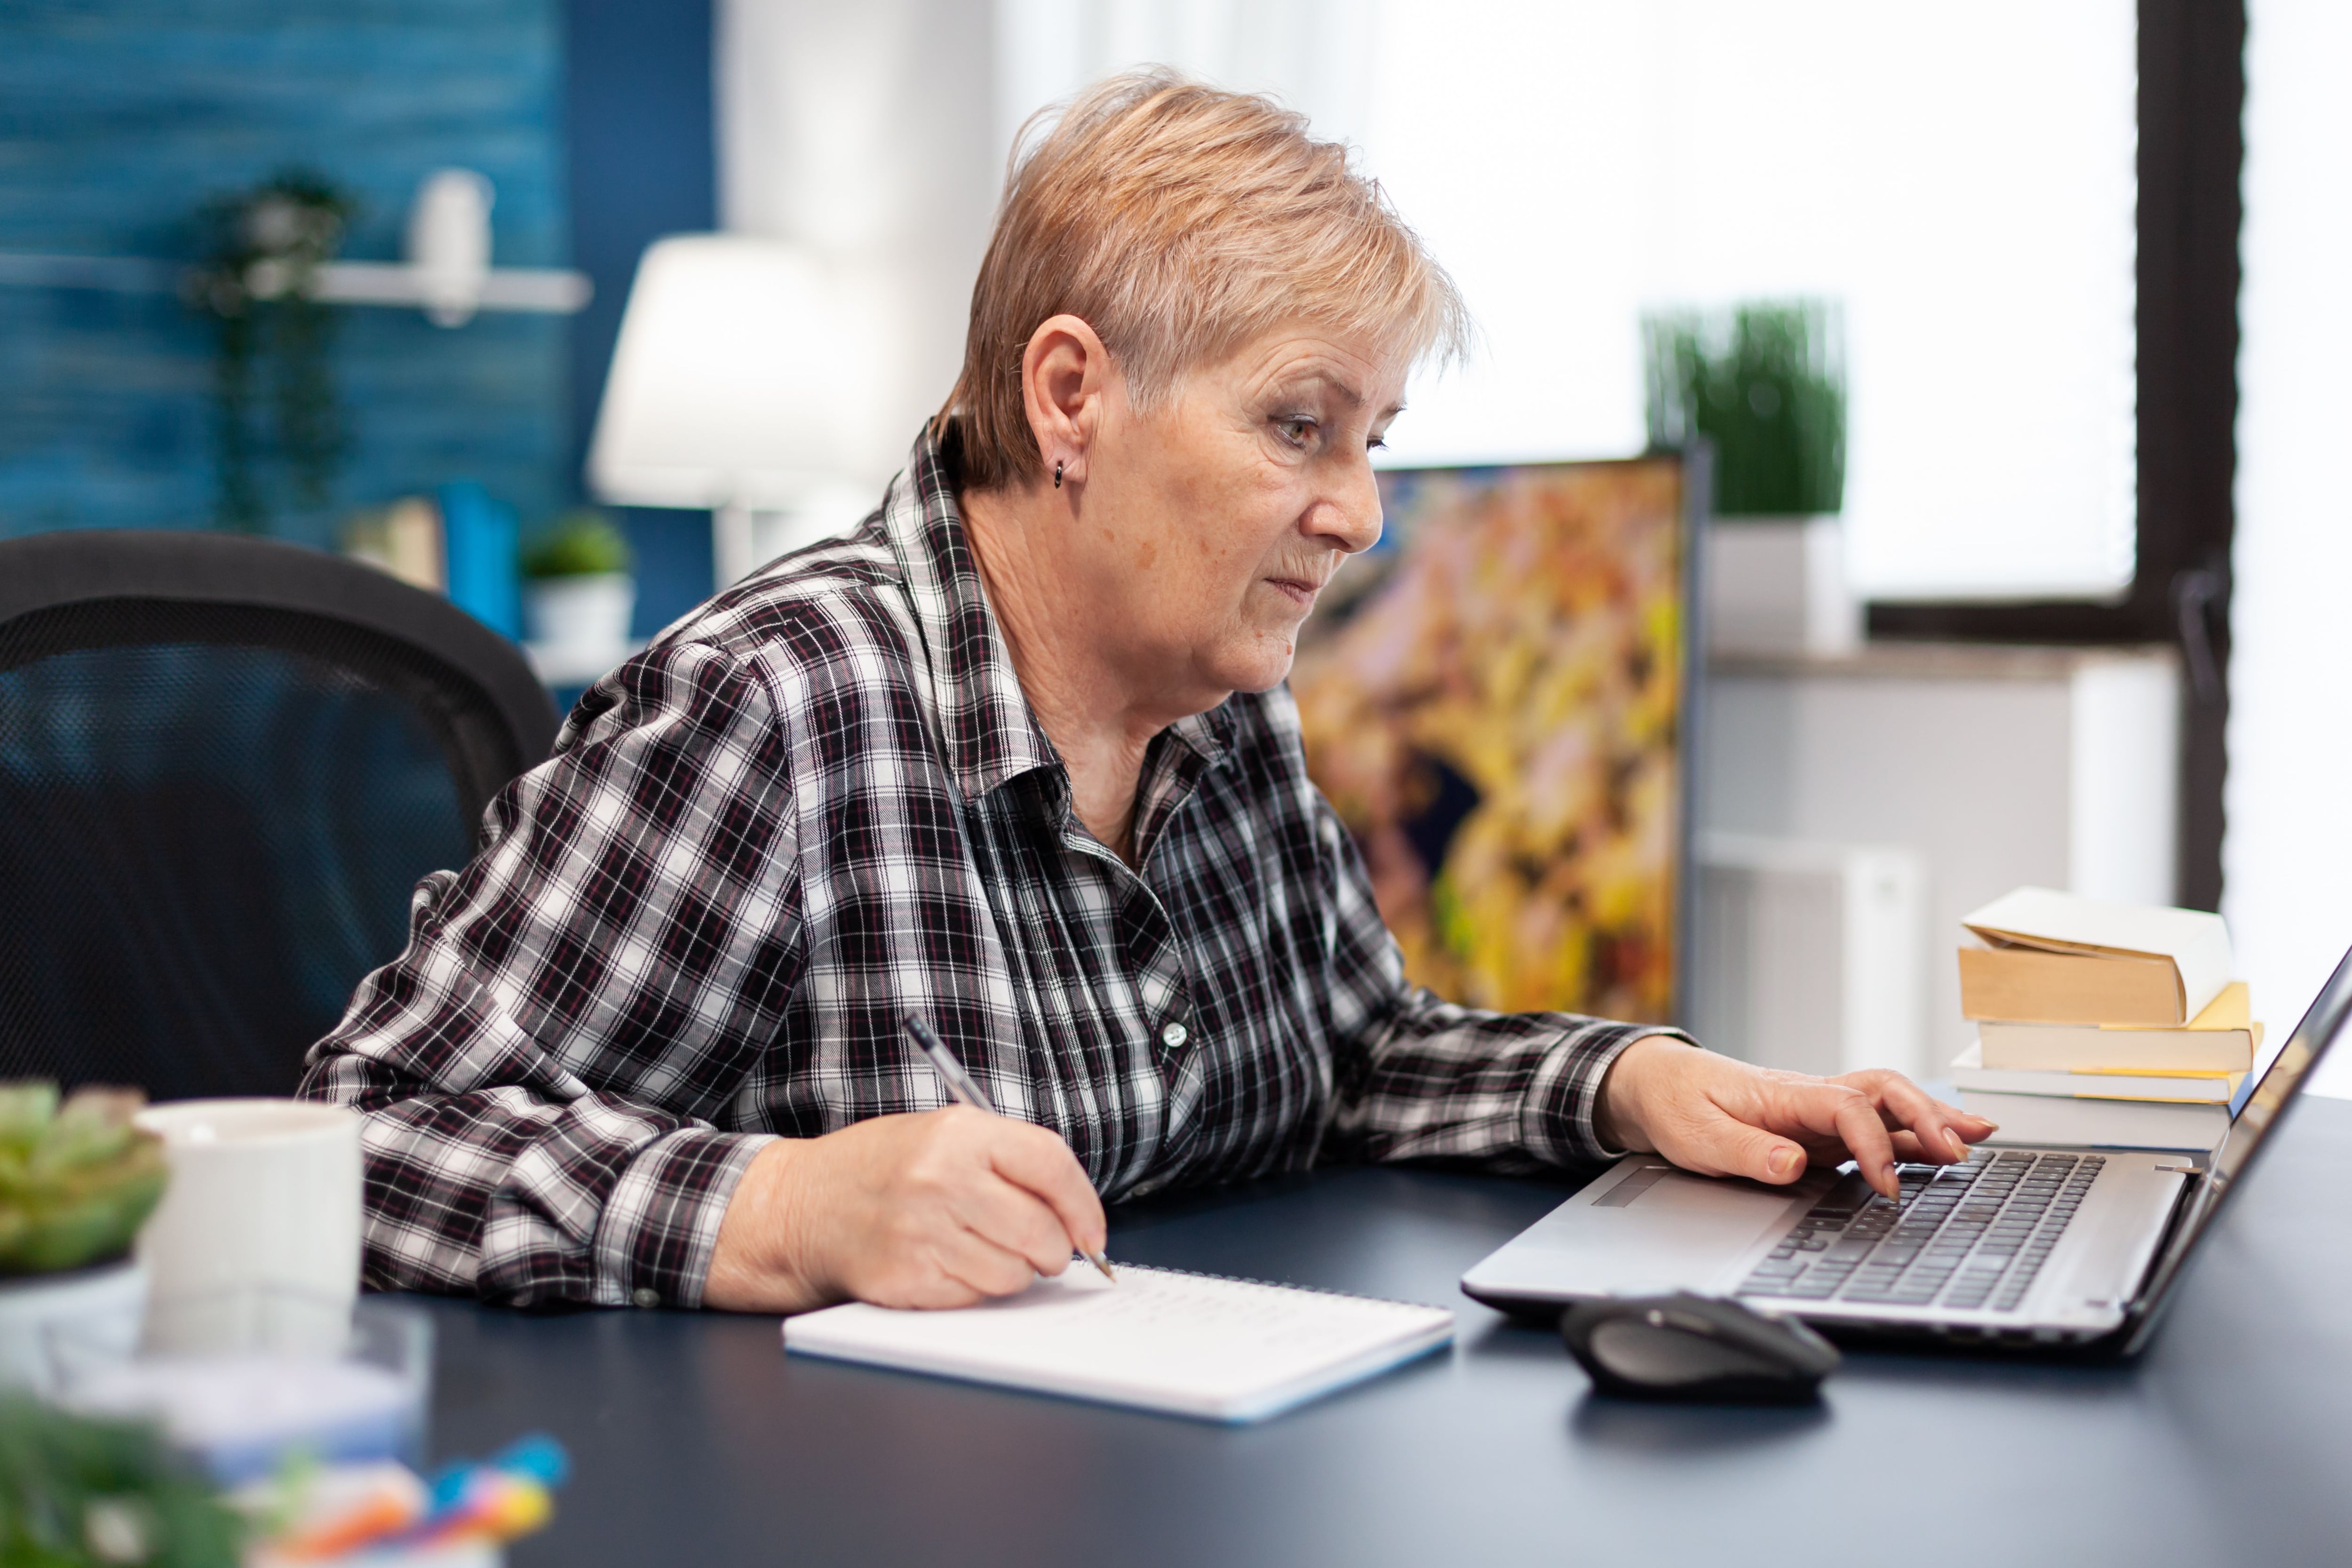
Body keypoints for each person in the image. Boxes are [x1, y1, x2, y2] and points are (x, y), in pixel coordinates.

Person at [301, 72, 1991, 1314]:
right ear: (1070, 397)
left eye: (1373, 442)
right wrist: (786, 1204)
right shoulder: (779, 707)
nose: (1359, 512)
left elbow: (1348, 1060)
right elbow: (351, 1147)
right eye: (1299, 426)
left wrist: (1635, 1087)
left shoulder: (1221, 703)